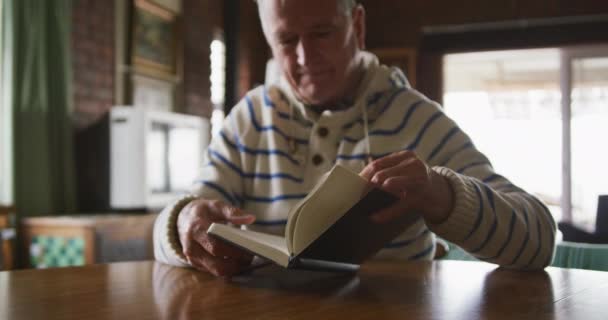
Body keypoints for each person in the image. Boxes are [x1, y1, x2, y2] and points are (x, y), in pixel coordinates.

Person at [154, 0, 556, 276]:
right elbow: (177, 223)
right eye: (287, 41)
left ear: (358, 27)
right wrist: (184, 222)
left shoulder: (416, 118)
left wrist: (444, 195)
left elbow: (539, 239)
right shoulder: (248, 119)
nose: (305, 58)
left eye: (322, 33)